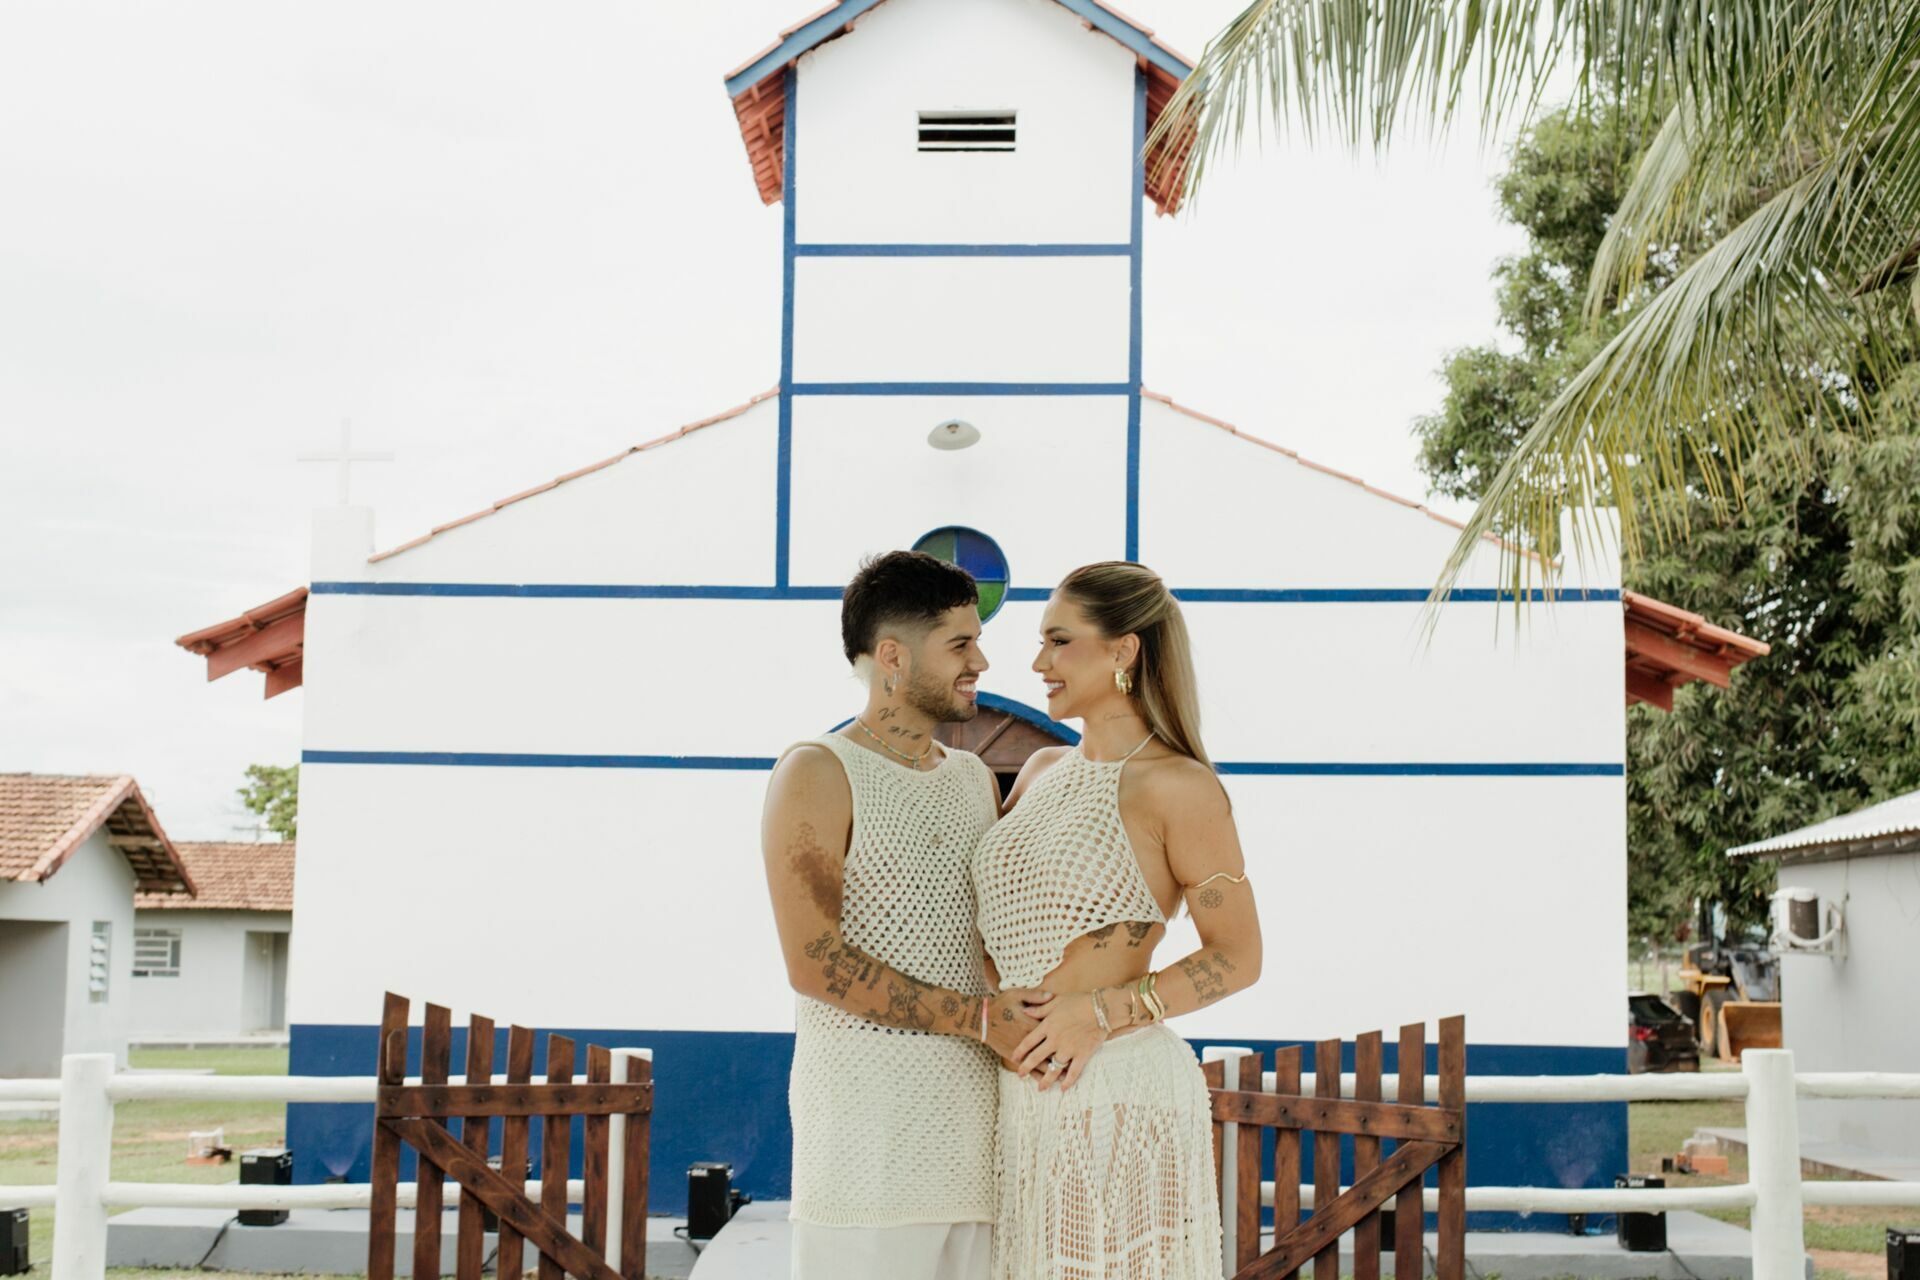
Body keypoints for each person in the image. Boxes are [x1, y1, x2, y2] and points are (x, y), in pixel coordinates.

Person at [974, 560, 1264, 1279]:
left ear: (1122, 650)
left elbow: (1238, 955)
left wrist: (1097, 1015)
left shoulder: (1180, 787)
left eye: (1059, 640)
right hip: (1017, 1099)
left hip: (1119, 1094)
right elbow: (989, 927)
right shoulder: (1040, 772)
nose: (1039, 662)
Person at [761, 550, 1042, 1280]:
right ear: (892, 656)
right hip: (864, 1154)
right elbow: (815, 963)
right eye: (959, 643)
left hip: (976, 1146)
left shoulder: (975, 780)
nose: (980, 659)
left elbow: (985, 938)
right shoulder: (816, 771)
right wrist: (980, 1019)